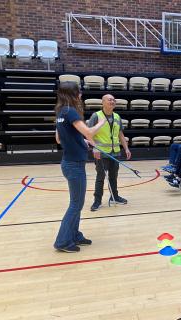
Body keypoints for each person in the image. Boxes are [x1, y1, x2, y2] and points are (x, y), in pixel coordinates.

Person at [54, 82, 106, 253]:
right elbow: (89, 132)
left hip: (69, 163)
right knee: (76, 204)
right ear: (73, 94)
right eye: (79, 91)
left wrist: (79, 141)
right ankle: (62, 241)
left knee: (77, 202)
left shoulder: (61, 112)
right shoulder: (70, 111)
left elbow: (59, 139)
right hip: (74, 165)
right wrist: (102, 122)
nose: (81, 94)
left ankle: (74, 235)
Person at [88, 94, 131, 211]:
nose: (112, 101)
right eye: (109, 100)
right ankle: (97, 201)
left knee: (113, 177)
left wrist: (126, 148)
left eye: (113, 100)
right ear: (103, 102)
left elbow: (120, 134)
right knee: (100, 177)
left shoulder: (117, 116)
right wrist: (95, 148)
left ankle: (114, 197)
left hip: (115, 153)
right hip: (101, 153)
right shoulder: (96, 116)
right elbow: (88, 133)